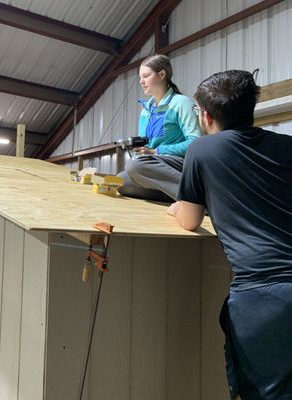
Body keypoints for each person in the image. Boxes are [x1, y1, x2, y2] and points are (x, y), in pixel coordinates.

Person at [168, 70, 292, 399]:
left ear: (206, 116)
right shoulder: (287, 146)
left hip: (264, 298)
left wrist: (179, 207)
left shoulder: (202, 151)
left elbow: (189, 220)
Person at [118, 54, 202, 202]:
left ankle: (198, 200)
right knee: (121, 180)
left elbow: (196, 143)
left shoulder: (181, 103)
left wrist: (156, 151)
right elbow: (146, 146)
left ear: (162, 74)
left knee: (135, 165)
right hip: (155, 165)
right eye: (140, 77)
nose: (141, 82)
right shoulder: (146, 110)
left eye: (146, 76)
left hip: (179, 165)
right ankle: (176, 195)